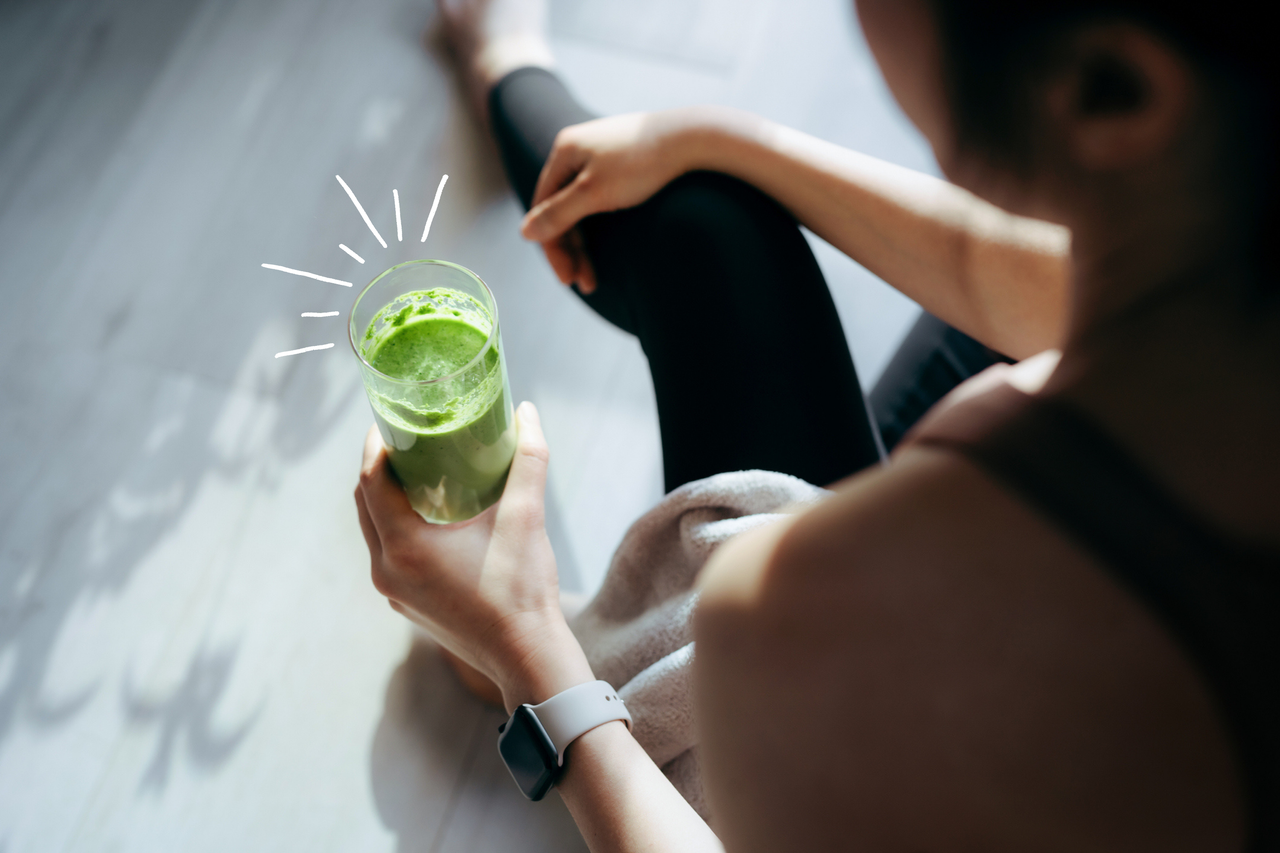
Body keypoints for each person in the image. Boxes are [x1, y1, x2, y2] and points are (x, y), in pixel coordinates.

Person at [353, 0, 1280, 849]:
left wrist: (528, 651)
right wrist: (727, 140)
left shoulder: (804, 613)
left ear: (1111, 87)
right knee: (706, 212)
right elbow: (1044, 283)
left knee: (702, 240)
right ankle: (505, 49)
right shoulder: (1212, 270)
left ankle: (528, 645)